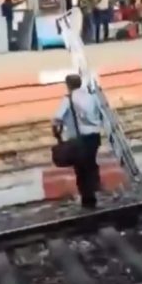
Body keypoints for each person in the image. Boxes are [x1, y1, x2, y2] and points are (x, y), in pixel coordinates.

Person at [52, 74, 103, 209]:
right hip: (94, 137)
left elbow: (57, 119)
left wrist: (58, 136)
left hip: (79, 140)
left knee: (81, 170)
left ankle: (87, 200)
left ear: (68, 85)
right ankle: (93, 193)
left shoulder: (68, 99)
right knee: (91, 165)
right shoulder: (91, 97)